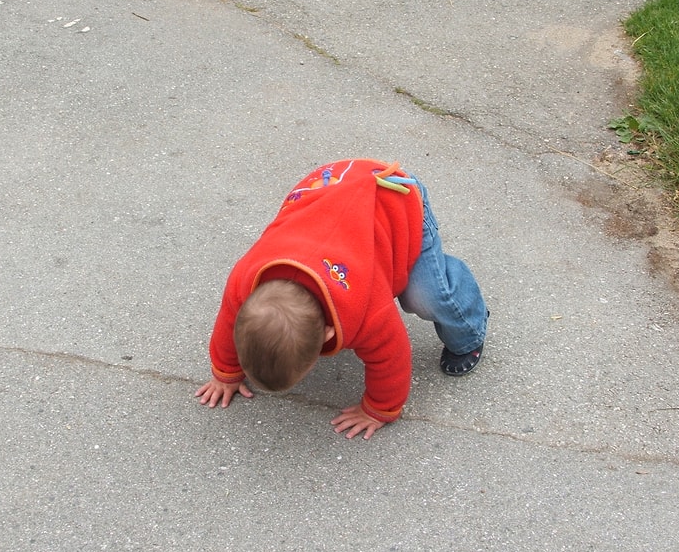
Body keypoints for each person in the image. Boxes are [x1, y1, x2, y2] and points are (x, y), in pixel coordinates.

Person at [195, 159, 488, 439]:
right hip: (326, 189)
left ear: (328, 333)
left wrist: (378, 410)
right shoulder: (244, 281)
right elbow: (228, 322)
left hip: (392, 198)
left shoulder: (367, 310)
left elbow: (392, 357)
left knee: (424, 296)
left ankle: (468, 329)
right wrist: (226, 373)